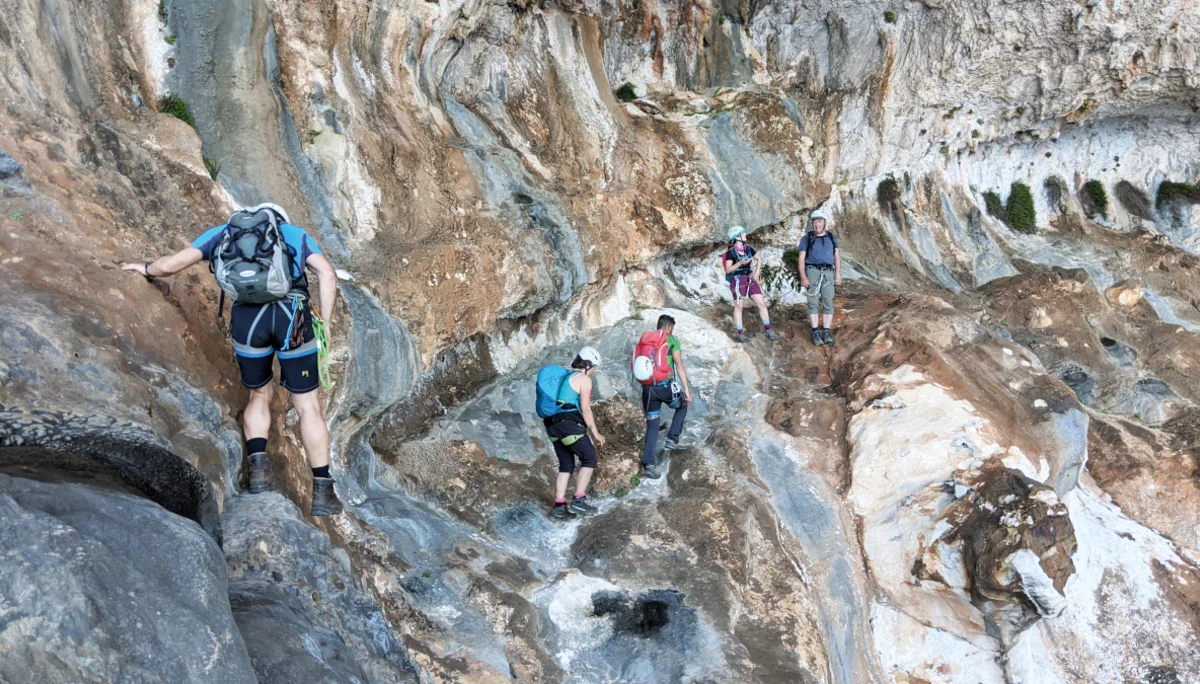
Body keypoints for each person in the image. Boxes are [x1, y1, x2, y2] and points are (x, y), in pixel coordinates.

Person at [122, 203, 344, 516]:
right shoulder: (293, 234)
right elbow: (328, 275)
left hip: (248, 320)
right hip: (292, 317)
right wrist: (326, 322)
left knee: (258, 394)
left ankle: (258, 473)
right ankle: (322, 491)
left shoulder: (223, 234)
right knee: (307, 405)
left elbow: (172, 265)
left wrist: (145, 268)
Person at [543, 347, 606, 520]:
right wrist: (595, 432)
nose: (594, 371)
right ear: (588, 364)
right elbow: (585, 408)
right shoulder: (584, 379)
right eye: (594, 367)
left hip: (552, 425)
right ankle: (578, 499)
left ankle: (559, 507)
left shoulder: (567, 376)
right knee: (589, 458)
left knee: (566, 465)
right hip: (568, 423)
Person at [638, 315, 693, 480]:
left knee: (653, 427)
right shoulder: (672, 340)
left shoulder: (646, 342)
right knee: (682, 404)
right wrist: (687, 390)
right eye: (672, 328)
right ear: (669, 327)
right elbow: (679, 364)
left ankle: (649, 464)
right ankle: (672, 439)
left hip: (648, 389)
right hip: (665, 387)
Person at [721, 226, 779, 343]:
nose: (745, 234)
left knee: (761, 303)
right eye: (743, 233)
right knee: (739, 307)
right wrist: (740, 263)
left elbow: (759, 258)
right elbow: (728, 270)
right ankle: (741, 333)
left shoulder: (748, 249)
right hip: (738, 279)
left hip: (749, 278)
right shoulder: (731, 253)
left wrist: (757, 272)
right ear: (737, 237)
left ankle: (768, 329)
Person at [797, 207, 842, 346]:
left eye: (820, 221)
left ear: (824, 222)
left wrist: (838, 274)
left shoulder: (831, 237)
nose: (817, 224)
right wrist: (803, 277)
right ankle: (816, 332)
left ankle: (826, 332)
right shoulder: (807, 238)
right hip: (812, 271)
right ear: (812, 223)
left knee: (828, 302)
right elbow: (801, 258)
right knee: (813, 302)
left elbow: (837, 256)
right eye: (815, 221)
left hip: (828, 272)